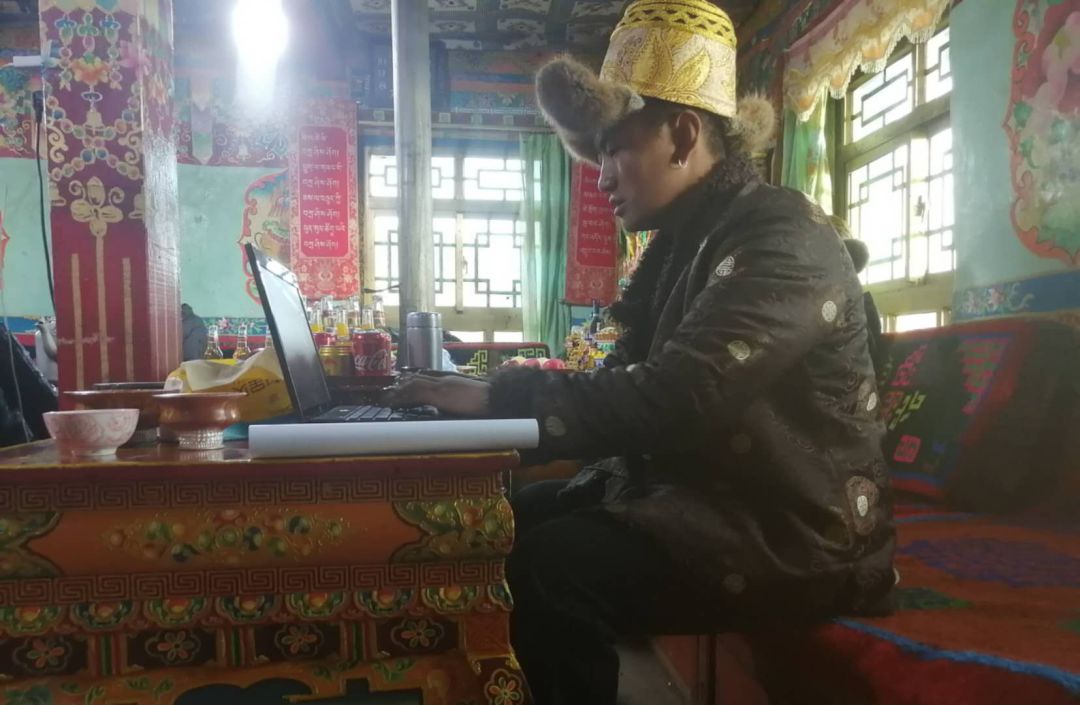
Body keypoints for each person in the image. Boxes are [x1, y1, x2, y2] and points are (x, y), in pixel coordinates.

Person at [390, 2, 895, 702]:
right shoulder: (689, 242)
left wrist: (499, 395)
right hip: (714, 497)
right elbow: (631, 383)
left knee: (550, 567)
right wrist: (494, 402)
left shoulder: (782, 236)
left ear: (682, 135)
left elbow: (677, 396)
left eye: (612, 150)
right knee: (513, 514)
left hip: (797, 531)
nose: (600, 177)